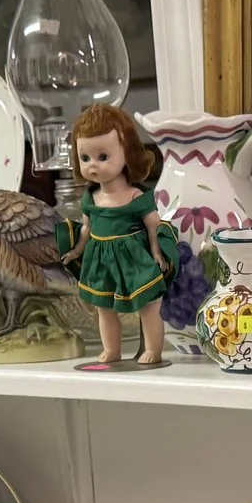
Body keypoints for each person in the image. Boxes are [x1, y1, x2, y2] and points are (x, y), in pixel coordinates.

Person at [57, 104, 182, 371]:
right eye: (85, 157)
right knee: (104, 307)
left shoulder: (135, 197)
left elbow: (153, 226)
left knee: (148, 305)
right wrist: (77, 250)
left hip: (133, 258)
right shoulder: (91, 198)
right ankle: (112, 349)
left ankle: (152, 349)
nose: (93, 165)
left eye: (103, 156)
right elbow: (86, 228)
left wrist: (157, 253)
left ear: (127, 152)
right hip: (101, 259)